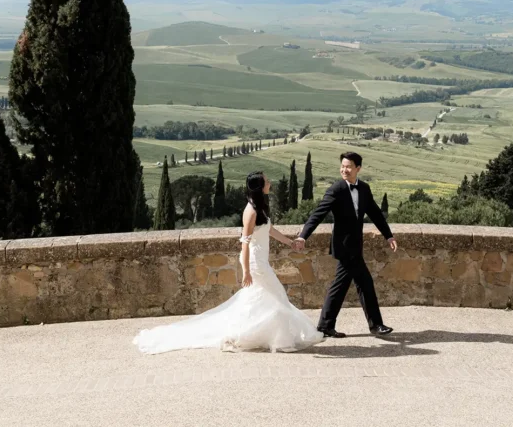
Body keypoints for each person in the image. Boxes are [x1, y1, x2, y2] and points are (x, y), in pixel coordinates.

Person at [132, 171, 324, 354]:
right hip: (256, 263)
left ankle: (254, 335)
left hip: (261, 261)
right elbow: (245, 243)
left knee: (262, 300)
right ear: (259, 187)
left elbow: (270, 230)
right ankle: (278, 340)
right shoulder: (250, 211)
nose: (270, 183)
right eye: (266, 181)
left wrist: (290, 242)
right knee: (278, 296)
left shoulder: (260, 207)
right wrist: (246, 271)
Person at [294, 152, 397, 338]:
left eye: (348, 166)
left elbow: (375, 213)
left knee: (349, 285)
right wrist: (303, 236)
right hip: (343, 247)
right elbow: (318, 213)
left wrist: (388, 236)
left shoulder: (364, 188)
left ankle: (328, 325)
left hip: (356, 246)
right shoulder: (336, 189)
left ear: (358, 168)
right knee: (361, 284)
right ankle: (374, 325)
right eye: (342, 166)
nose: (344, 170)